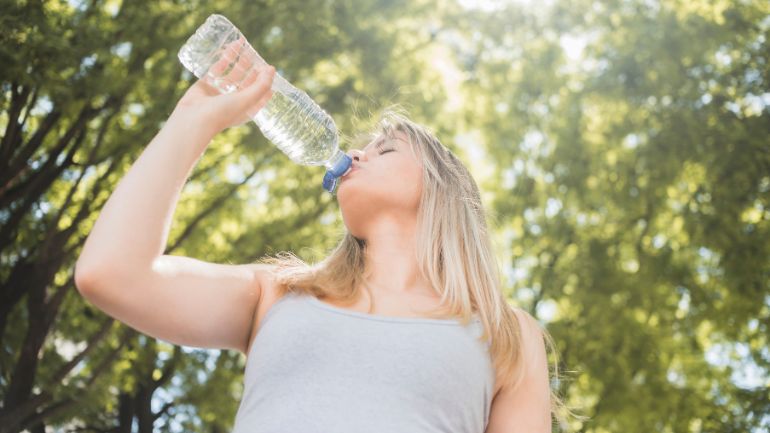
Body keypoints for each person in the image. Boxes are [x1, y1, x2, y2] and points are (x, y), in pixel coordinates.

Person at [75, 52, 560, 432]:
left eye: (385, 147)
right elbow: (112, 273)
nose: (354, 153)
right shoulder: (277, 294)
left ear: (441, 188)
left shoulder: (507, 334)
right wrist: (193, 119)